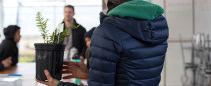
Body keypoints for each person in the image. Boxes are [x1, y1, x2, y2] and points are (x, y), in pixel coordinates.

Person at [36, 0, 169, 86]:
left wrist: (59, 84)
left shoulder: (108, 31)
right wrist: (92, 74)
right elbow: (135, 72)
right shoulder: (158, 25)